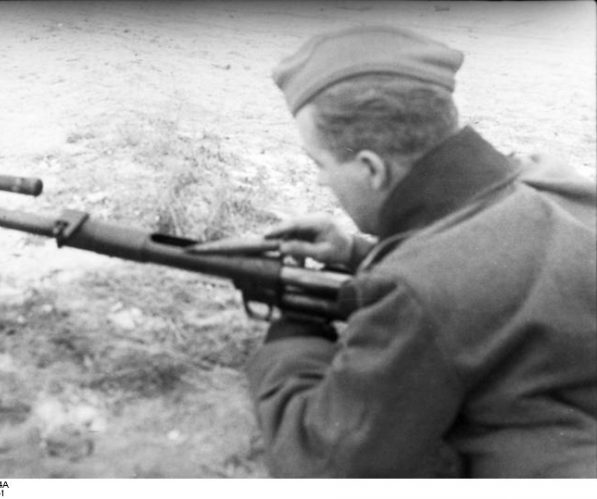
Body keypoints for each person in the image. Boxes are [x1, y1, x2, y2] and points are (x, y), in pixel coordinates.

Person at [246, 25, 597, 478]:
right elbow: (502, 264)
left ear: (371, 168)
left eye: (320, 165)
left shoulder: (415, 291)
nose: (320, 181)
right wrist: (357, 253)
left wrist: (293, 336)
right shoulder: (551, 179)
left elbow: (328, 463)